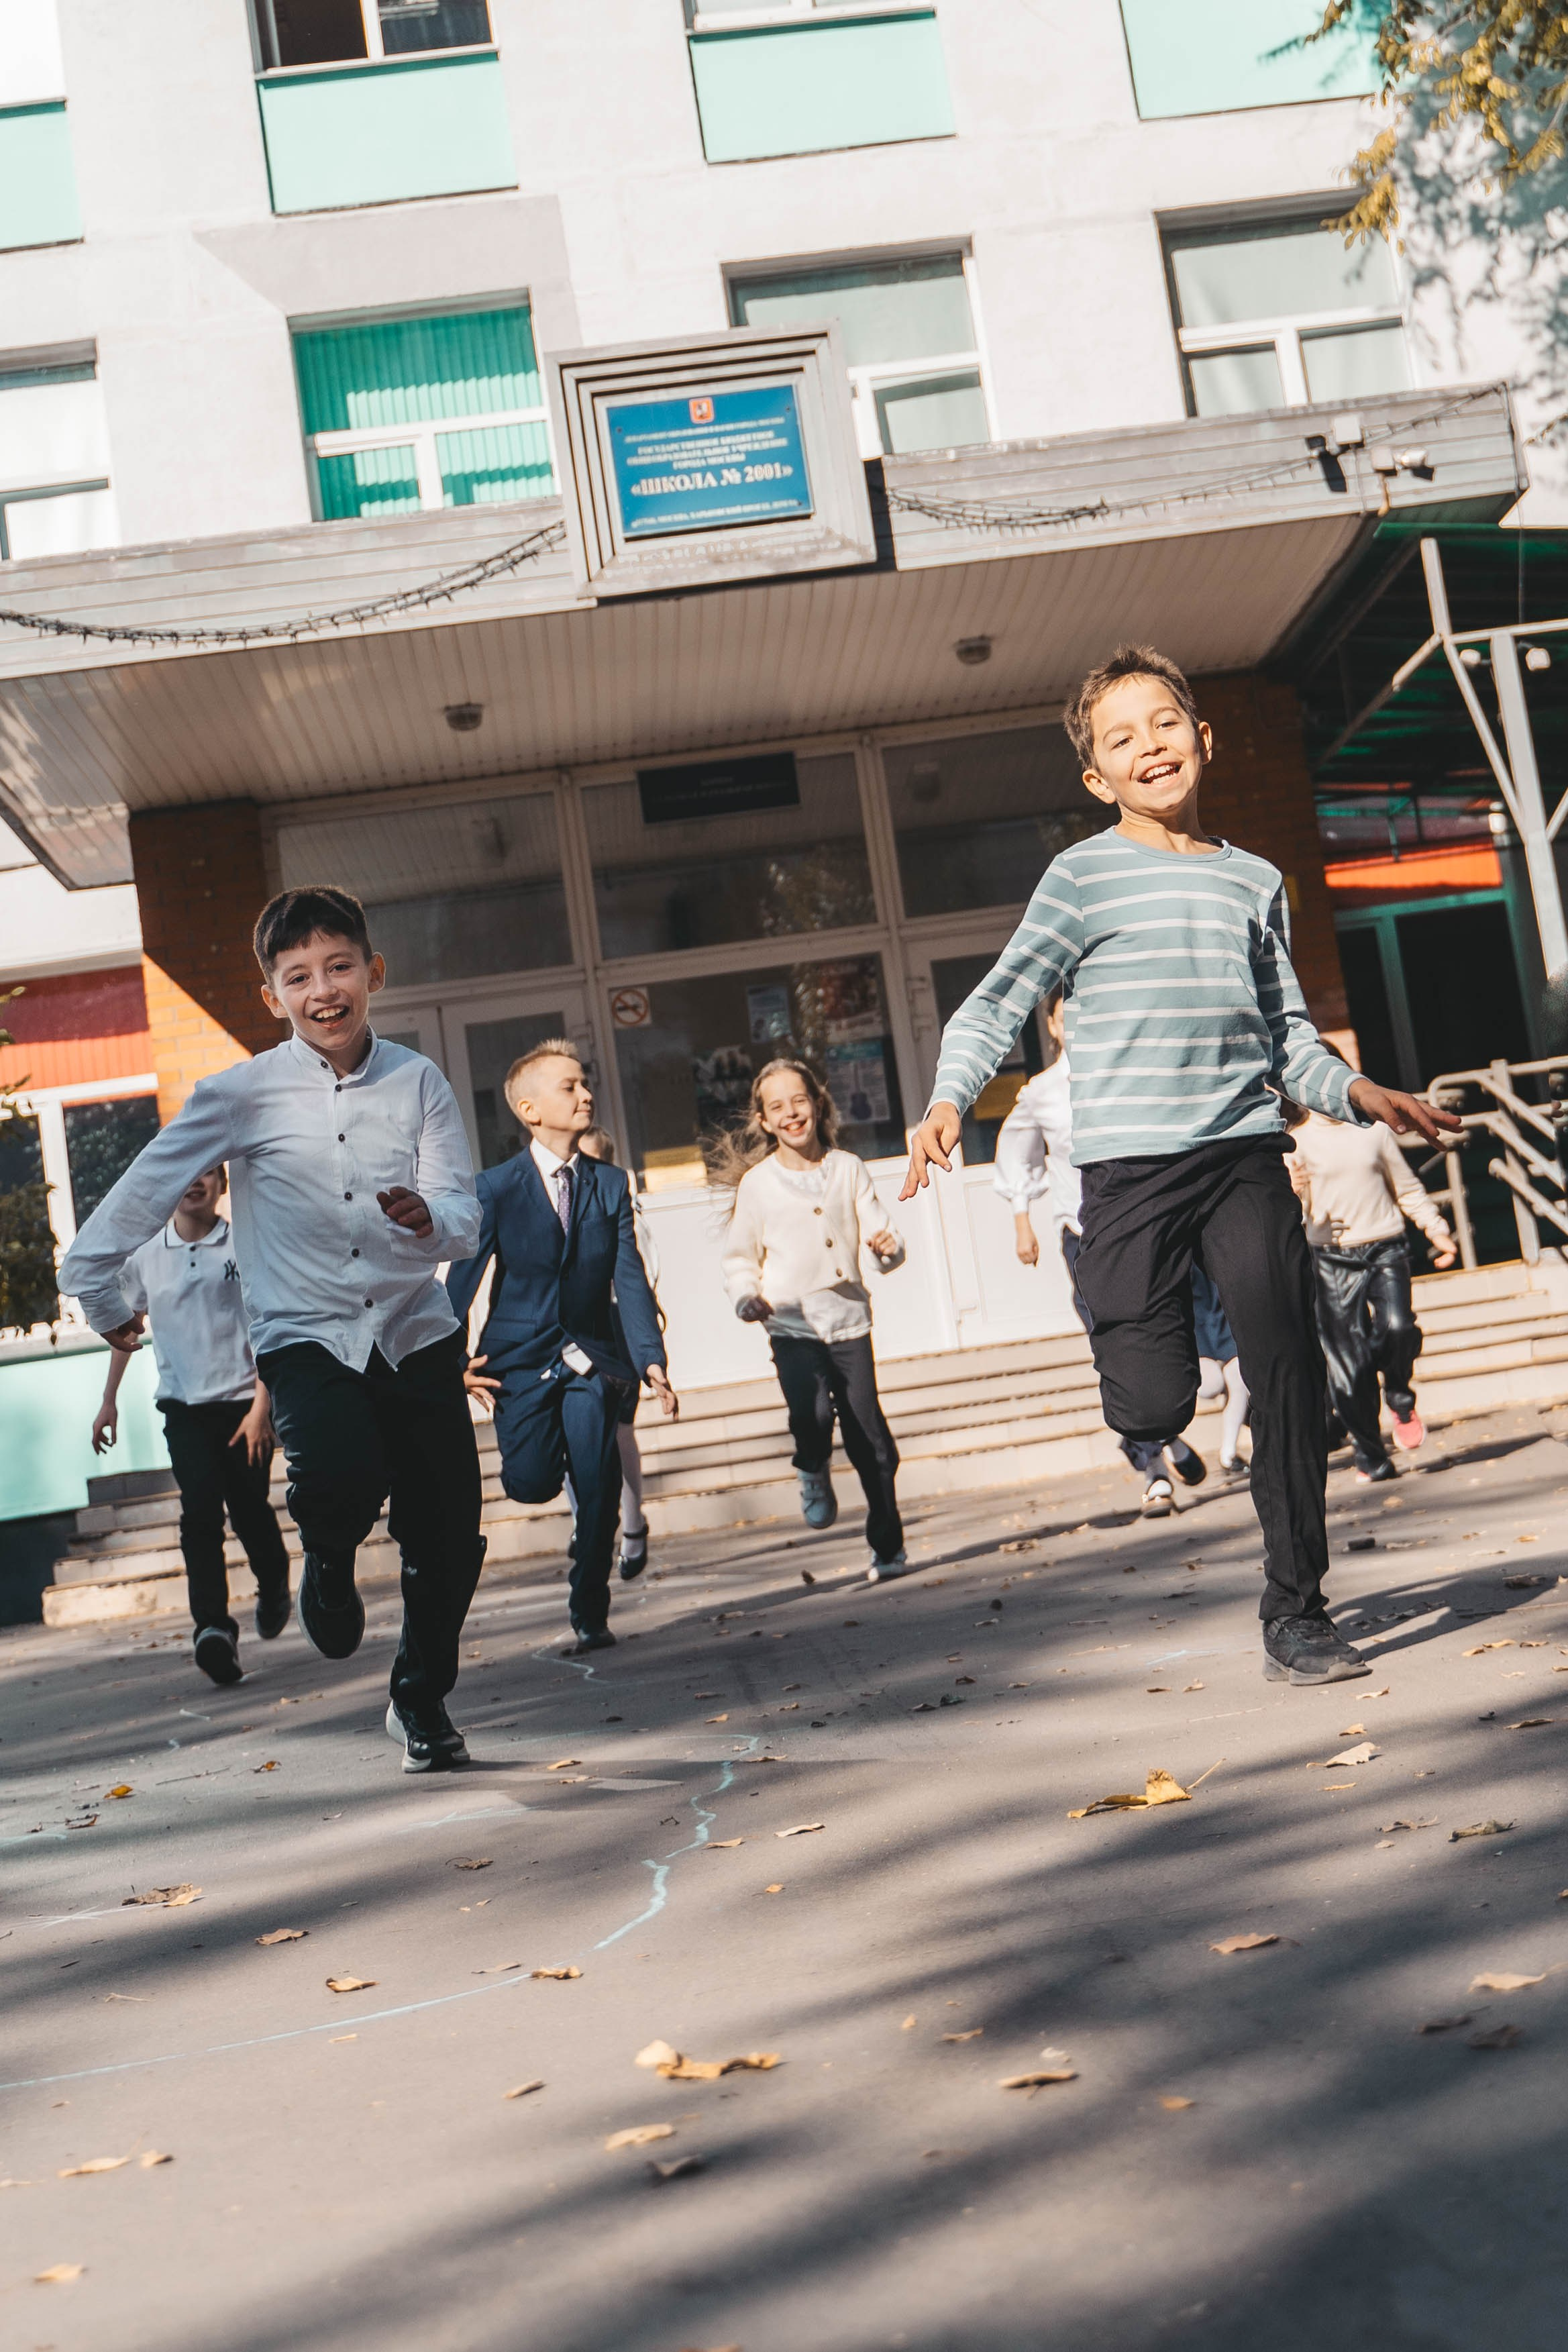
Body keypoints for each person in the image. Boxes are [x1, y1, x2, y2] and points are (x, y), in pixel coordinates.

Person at [902, 642, 1461, 1688]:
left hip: (1245, 1156)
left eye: (1164, 725)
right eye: (1121, 739)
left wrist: (1359, 1091)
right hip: (1129, 1174)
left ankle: (1297, 1610)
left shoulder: (1256, 881)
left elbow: (1289, 1035)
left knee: (1286, 1365)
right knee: (1152, 1404)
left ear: (1202, 739)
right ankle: (1150, 1421)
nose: (1148, 747)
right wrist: (946, 1097)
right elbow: (1000, 998)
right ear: (1095, 778)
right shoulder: (1081, 876)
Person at [60, 885, 486, 1774]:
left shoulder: (419, 1081)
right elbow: (139, 1195)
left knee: (449, 1531)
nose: (322, 990)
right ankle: (327, 1554)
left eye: (339, 968)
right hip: (306, 1334)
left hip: (414, 1328)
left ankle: (419, 1699)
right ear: (272, 996)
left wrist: (427, 1222)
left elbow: (462, 1213)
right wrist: (103, 1303)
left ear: (374, 972)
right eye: (299, 977)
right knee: (338, 1478)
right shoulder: (237, 1095)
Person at [445, 1043, 676, 1656]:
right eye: (569, 1087)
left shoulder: (608, 1182)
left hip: (591, 1360)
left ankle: (589, 1609)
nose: (585, 1095)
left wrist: (650, 1359)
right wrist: (448, 1362)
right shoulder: (495, 1188)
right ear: (529, 1108)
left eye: (585, 1084)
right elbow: (461, 1283)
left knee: (598, 1486)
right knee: (530, 1481)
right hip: (517, 1361)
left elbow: (629, 1276)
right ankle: (538, 1476)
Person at [995, 988, 1214, 1516]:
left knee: (1161, 1344)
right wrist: (1021, 1219)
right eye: (1066, 1017)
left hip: (1148, 1230)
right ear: (1051, 1026)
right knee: (1114, 1350)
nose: (1078, 1024)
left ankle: (1169, 1435)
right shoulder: (1042, 1093)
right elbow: (1015, 1154)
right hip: (1085, 1238)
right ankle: (1155, 1470)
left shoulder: (1133, 1076)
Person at [89, 1163, 290, 1687]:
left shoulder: (244, 1245)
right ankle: (213, 1631)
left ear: (222, 1185)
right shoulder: (148, 1255)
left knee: (248, 1511)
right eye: (186, 1174)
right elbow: (126, 1331)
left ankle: (274, 1583)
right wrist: (108, 1400)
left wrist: (260, 1409)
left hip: (245, 1405)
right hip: (184, 1409)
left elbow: (270, 1328)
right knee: (199, 1513)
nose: (195, 1182)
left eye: (207, 1173)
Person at [712, 1058, 908, 1581]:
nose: (791, 1113)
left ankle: (887, 1544)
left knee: (871, 1438)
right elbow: (738, 1258)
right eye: (777, 1106)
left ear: (817, 1104)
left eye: (798, 1100)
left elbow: (881, 1231)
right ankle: (811, 1463)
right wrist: (746, 1296)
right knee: (814, 1418)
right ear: (763, 1119)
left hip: (848, 1320)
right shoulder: (757, 1184)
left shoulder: (847, 1168)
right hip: (791, 1325)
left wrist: (887, 1248)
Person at [1280, 1090, 1456, 1481]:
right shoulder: (1294, 1139)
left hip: (1386, 1246)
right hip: (1330, 1254)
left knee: (1398, 1326)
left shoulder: (1372, 1130)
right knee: (1350, 1367)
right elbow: (1286, 1218)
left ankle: (1399, 1394)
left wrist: (1436, 1229)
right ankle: (1371, 1457)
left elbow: (1406, 1187)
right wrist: (1291, 1190)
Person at [577, 1124, 660, 1580]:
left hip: (615, 1325)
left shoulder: (625, 1211)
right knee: (579, 1432)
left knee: (619, 1428)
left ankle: (631, 1524)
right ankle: (585, 1525)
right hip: (574, 1326)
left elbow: (640, 1277)